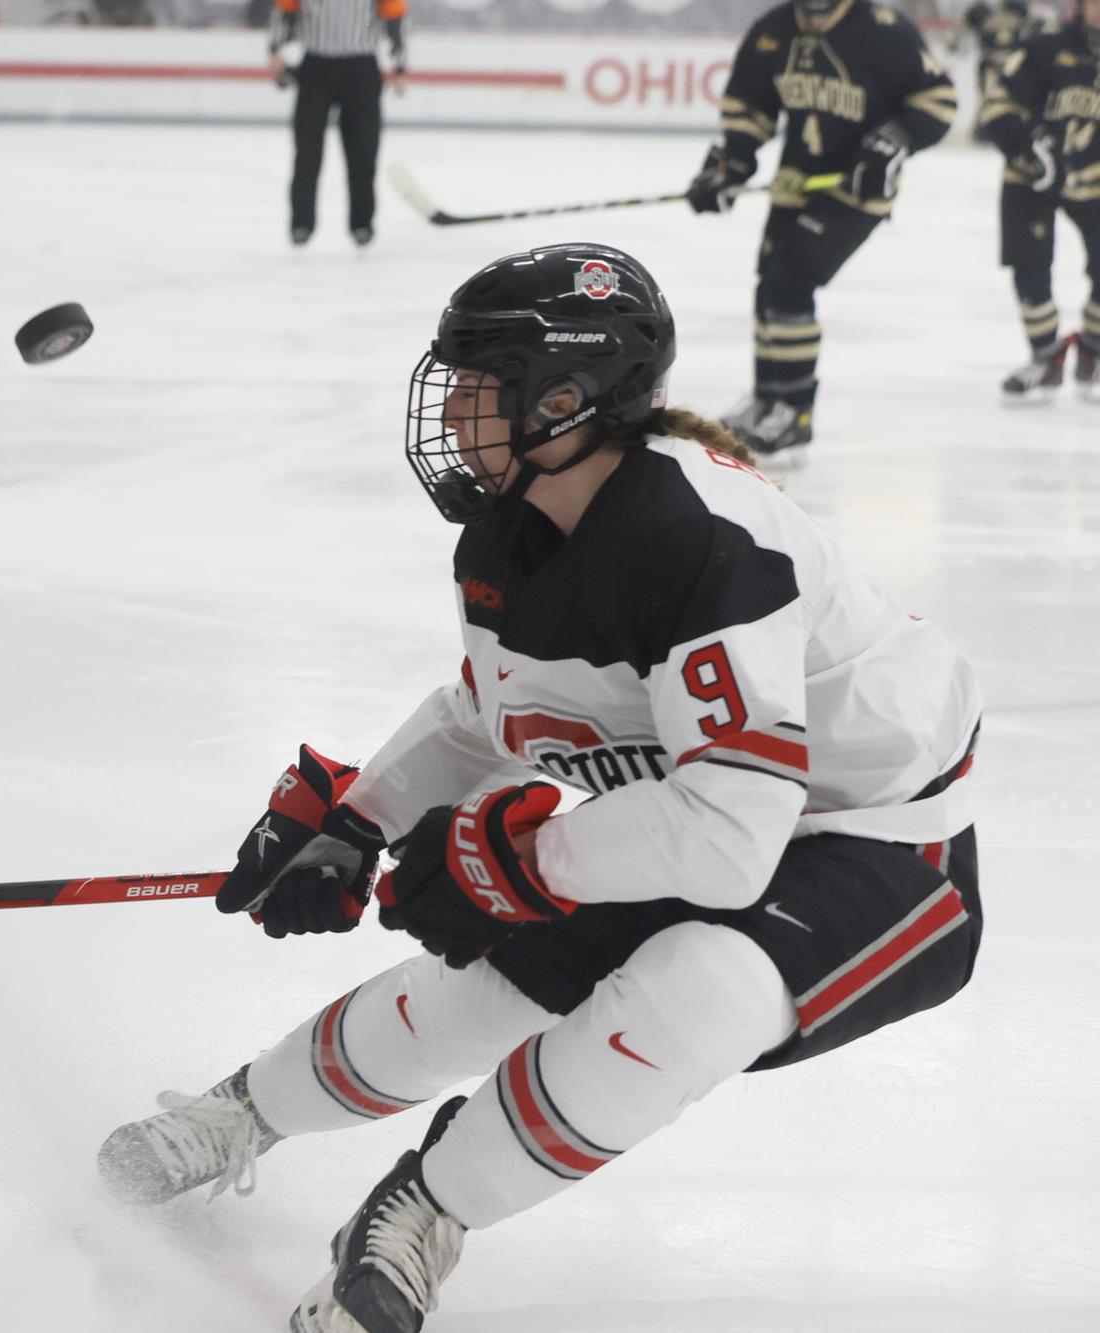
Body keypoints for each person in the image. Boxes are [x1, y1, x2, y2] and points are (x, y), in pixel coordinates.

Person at [97, 244, 984, 1333]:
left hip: (883, 847)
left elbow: (728, 840)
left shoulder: (697, 537)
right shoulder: (511, 535)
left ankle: (422, 1210)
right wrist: (358, 820)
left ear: (565, 397)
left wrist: (516, 860)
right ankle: (247, 1111)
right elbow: (497, 717)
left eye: (479, 382)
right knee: (499, 982)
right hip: (713, 805)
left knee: (694, 986)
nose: (453, 407)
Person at [684, 0, 956, 458]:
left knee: (790, 280)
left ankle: (795, 410)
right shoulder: (774, 28)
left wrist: (894, 140)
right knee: (769, 282)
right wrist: (730, 166)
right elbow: (749, 105)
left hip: (856, 189)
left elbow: (940, 99)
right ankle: (768, 395)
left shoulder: (884, 31)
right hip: (798, 180)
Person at [979, 0, 1100, 399]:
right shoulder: (1044, 46)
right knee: (1029, 266)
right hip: (1030, 177)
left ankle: (1094, 349)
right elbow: (996, 107)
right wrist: (1028, 148)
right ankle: (1045, 356)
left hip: (1094, 181)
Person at [268, 0, 408, 248]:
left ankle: (362, 223)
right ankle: (302, 222)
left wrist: (400, 63)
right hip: (316, 66)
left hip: (361, 66)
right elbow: (285, 11)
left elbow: (396, 16)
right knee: (307, 151)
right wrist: (275, 49)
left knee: (363, 152)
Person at [958, 1, 1048, 144]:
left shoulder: (1016, 7)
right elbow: (961, 28)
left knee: (1014, 97)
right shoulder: (981, 10)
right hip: (990, 61)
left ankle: (1013, 129)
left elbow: (1039, 24)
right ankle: (984, 129)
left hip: (1013, 61)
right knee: (988, 96)